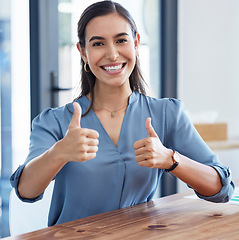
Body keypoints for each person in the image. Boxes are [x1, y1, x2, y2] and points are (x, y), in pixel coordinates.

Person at [10, 0, 234, 227]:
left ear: (136, 43)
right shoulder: (54, 122)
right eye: (98, 44)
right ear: (83, 52)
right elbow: (26, 191)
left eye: (121, 40)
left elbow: (222, 189)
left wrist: (170, 159)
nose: (113, 54)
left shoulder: (167, 113)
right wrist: (59, 152)